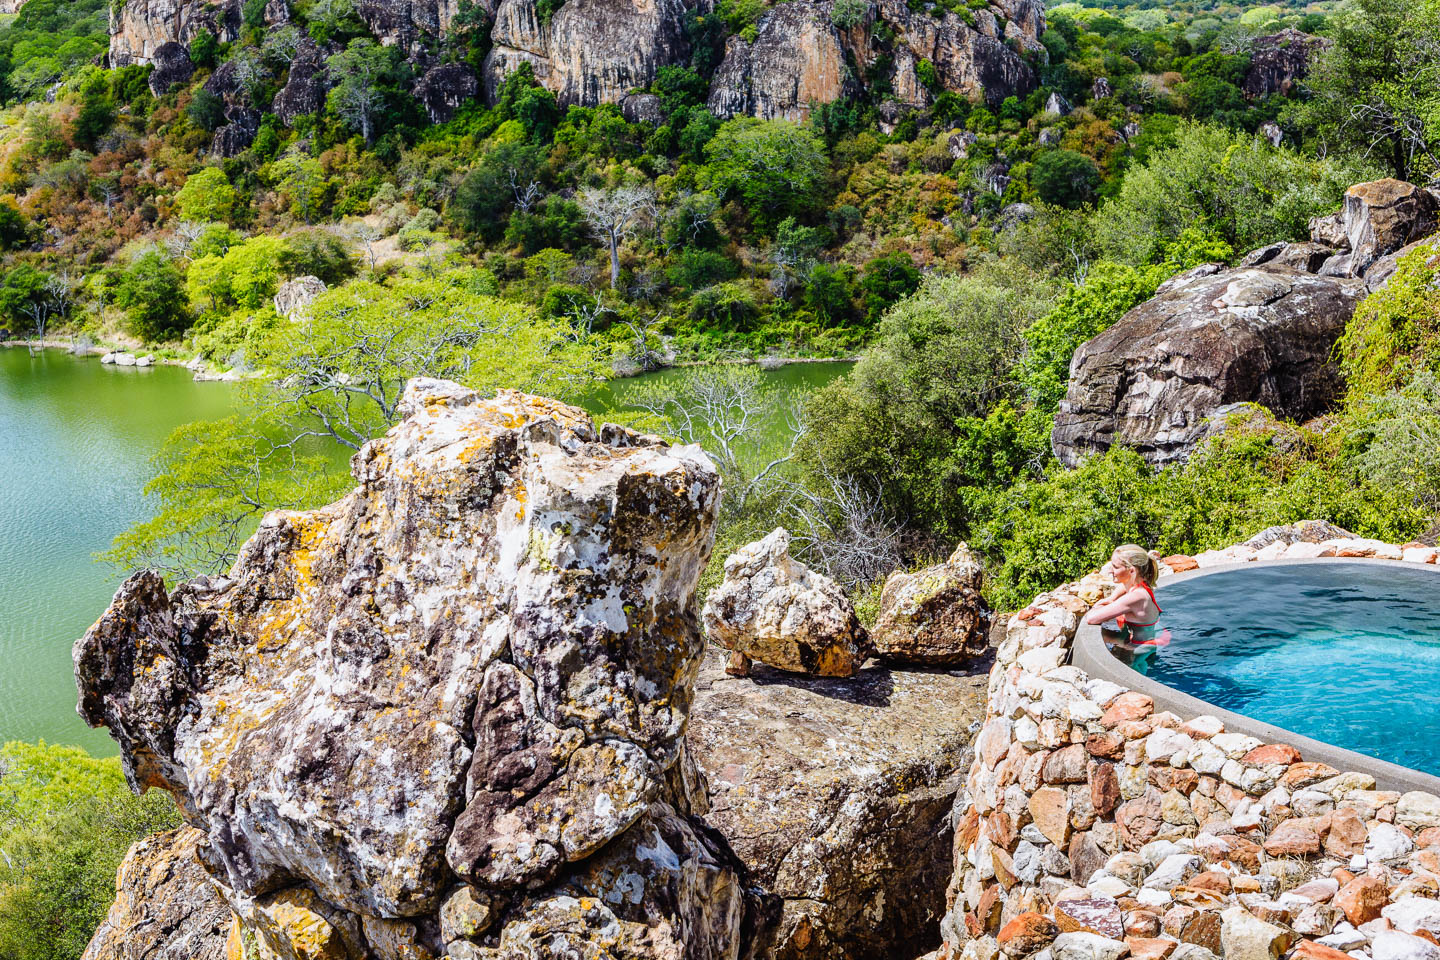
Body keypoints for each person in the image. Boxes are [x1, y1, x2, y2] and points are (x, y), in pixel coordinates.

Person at [1085, 544, 1166, 647]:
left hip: (1140, 650)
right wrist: (1112, 598)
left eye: (1115, 567)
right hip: (1153, 635)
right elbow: (1125, 586)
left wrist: (1096, 607)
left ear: (1131, 571)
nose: (1110, 571)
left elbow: (1091, 618)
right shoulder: (1142, 583)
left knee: (1105, 638)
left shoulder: (1136, 597)